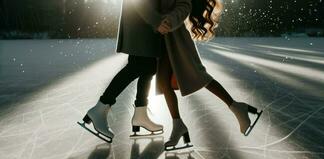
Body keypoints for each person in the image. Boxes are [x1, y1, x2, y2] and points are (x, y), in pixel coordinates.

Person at [156, 0, 263, 150]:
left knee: (198, 75)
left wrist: (167, 22)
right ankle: (178, 124)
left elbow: (184, 5)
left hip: (176, 38)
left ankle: (237, 107)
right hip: (163, 38)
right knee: (163, 82)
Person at [78, 0, 166, 143]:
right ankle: (100, 109)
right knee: (137, 66)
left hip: (146, 23)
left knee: (149, 67)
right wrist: (157, 21)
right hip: (142, 22)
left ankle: (141, 113)